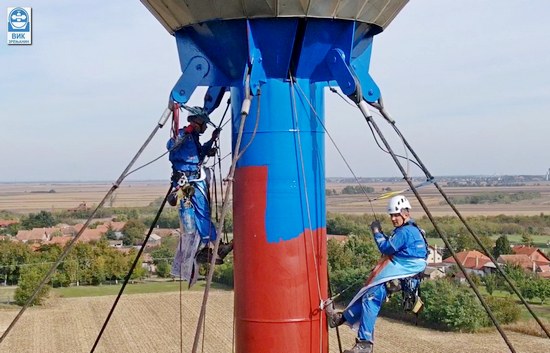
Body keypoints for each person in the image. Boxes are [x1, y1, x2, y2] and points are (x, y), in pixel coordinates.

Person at [327, 195, 428, 353]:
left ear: (405, 213)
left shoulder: (406, 232)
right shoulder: (413, 230)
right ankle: (341, 319)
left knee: (371, 297)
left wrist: (377, 232)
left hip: (402, 272)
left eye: (396, 214)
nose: (393, 218)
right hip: (405, 274)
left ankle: (365, 343)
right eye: (392, 215)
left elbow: (386, 248)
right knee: (370, 296)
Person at [167, 113, 232, 283]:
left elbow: (200, 155)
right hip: (189, 181)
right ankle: (213, 244)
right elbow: (171, 147)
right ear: (198, 123)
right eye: (204, 125)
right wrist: (185, 133)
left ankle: (210, 245)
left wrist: (211, 140)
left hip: (192, 180)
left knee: (202, 214)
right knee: (201, 214)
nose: (205, 128)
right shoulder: (183, 135)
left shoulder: (194, 138)